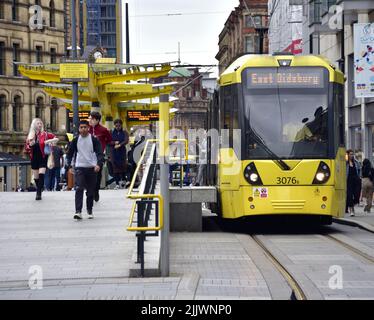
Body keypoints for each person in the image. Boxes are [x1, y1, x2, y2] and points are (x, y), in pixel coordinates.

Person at [66, 120, 104, 220]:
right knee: (79, 188)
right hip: (80, 167)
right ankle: (78, 211)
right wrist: (69, 166)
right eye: (81, 127)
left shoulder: (94, 139)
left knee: (90, 191)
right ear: (78, 129)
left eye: (85, 127)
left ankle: (89, 209)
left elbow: (100, 153)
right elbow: (69, 154)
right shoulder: (75, 140)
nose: (83, 129)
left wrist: (98, 164)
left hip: (92, 168)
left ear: (88, 128)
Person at [25, 118, 58, 200]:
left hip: (43, 157)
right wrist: (30, 145)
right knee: (36, 177)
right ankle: (40, 187)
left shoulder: (46, 134)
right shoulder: (30, 135)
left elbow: (56, 139)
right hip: (34, 157)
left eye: (40, 123)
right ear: (34, 125)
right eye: (38, 123)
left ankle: (38, 194)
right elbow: (27, 148)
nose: (40, 125)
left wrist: (48, 141)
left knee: (41, 174)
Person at [88, 111, 112, 202]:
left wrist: (103, 146)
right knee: (89, 173)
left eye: (92, 119)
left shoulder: (103, 130)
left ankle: (96, 190)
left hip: (99, 155)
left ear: (97, 120)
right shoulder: (87, 129)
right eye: (90, 118)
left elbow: (109, 139)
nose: (90, 120)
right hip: (89, 155)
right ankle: (90, 190)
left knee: (98, 174)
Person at [110, 119, 129, 189]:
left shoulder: (124, 132)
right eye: (116, 126)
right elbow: (108, 141)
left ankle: (124, 180)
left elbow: (126, 140)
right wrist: (114, 143)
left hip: (122, 151)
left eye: (119, 126)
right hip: (114, 152)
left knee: (123, 166)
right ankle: (117, 183)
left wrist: (120, 144)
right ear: (114, 125)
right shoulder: (111, 132)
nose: (118, 127)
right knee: (115, 167)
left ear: (121, 125)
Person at [346, 149, 361, 216]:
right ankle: (352, 210)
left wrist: (360, 177)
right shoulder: (345, 163)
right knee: (349, 195)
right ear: (348, 155)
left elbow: (359, 170)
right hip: (348, 181)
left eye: (352, 154)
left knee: (357, 195)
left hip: (356, 180)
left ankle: (353, 204)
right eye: (350, 154)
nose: (352, 155)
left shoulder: (356, 162)